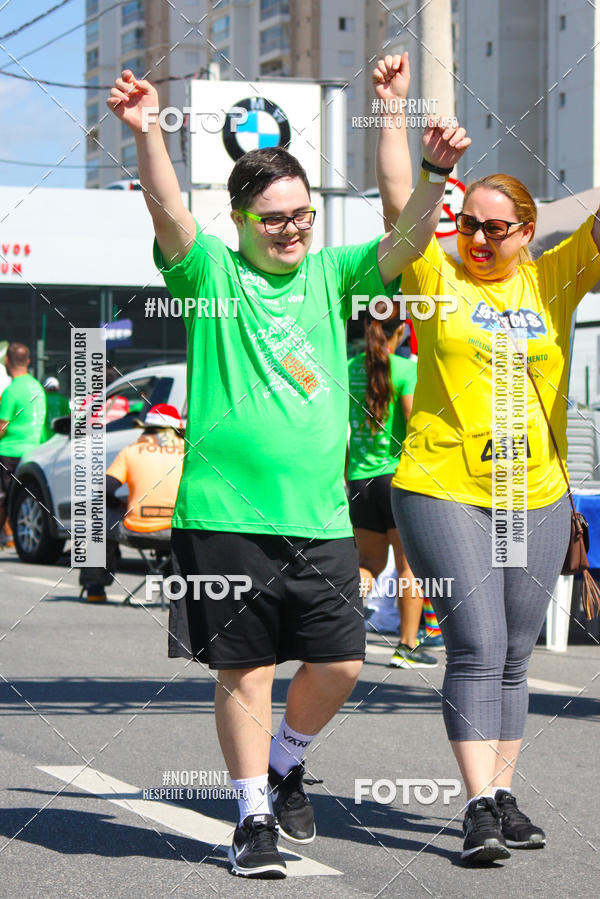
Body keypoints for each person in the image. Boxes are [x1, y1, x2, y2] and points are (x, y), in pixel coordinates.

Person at [107, 62, 470, 879]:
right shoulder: (210, 274)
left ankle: (283, 761)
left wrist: (431, 165)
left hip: (320, 515)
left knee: (341, 662)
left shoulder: (332, 274)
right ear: (240, 220)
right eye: (273, 218)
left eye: (302, 213)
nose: (292, 229)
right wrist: (147, 130)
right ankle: (252, 819)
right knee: (248, 673)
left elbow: (409, 240)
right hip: (225, 515)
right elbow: (167, 211)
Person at [376, 54, 600, 863]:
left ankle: (502, 793)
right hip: (443, 485)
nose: (475, 238)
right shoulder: (435, 273)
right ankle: (475, 804)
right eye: (467, 223)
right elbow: (399, 205)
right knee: (473, 642)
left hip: (534, 491)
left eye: (493, 228)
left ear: (527, 234)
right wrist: (397, 117)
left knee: (513, 652)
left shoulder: (554, 280)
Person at [347, 313, 439, 669]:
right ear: (400, 330)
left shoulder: (349, 368)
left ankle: (339, 636)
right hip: (397, 479)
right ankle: (407, 647)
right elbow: (415, 424)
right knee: (407, 566)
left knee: (367, 565)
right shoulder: (404, 369)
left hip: (359, 479)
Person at [80, 403, 185, 603]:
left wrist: (117, 505)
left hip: (136, 531)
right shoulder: (187, 453)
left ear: (146, 428)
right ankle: (180, 593)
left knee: (99, 518)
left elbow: (104, 489)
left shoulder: (132, 451)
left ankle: (94, 586)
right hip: (175, 533)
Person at [0, 343, 46, 542]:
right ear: (28, 361)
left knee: (3, 498)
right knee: (22, 498)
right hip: (34, 452)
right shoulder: (38, 387)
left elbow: (2, 426)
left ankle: (5, 534)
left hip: (9, 452)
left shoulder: (11, 391)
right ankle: (13, 535)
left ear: (7, 361)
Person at [42, 376, 70, 441]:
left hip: (45, 436)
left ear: (45, 387)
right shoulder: (64, 400)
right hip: (59, 436)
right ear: (57, 387)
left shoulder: (42, 399)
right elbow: (69, 415)